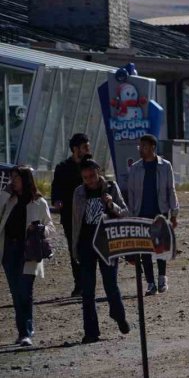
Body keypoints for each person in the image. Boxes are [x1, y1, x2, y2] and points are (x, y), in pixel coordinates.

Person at [73, 159, 131, 344]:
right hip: (86, 245)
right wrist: (74, 247)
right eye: (85, 178)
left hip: (107, 243)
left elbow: (124, 213)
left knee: (110, 284)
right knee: (87, 290)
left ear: (98, 172)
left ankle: (118, 315)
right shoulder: (79, 192)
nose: (89, 181)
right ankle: (91, 331)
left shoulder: (111, 188)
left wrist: (111, 204)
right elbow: (76, 223)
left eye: (91, 176)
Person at [1, 166, 53, 347]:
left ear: (25, 179)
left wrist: (40, 229)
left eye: (16, 177)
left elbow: (50, 227)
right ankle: (22, 331)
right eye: (11, 177)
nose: (13, 180)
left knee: (25, 292)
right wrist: (4, 194)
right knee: (16, 293)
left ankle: (26, 332)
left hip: (29, 251)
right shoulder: (8, 200)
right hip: (9, 251)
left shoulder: (39, 202)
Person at [127, 134, 179, 295]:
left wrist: (174, 213)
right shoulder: (135, 168)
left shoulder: (165, 166)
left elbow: (171, 189)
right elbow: (131, 193)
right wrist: (131, 215)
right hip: (141, 213)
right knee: (144, 250)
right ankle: (150, 283)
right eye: (140, 146)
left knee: (160, 246)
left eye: (144, 146)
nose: (140, 149)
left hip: (160, 212)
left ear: (152, 148)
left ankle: (162, 278)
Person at [51, 133, 91, 297]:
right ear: (75, 149)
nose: (88, 150)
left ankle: (89, 283)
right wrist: (57, 201)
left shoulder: (90, 166)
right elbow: (56, 189)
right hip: (70, 217)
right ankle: (79, 284)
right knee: (74, 250)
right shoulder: (62, 168)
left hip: (89, 216)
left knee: (89, 249)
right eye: (85, 147)